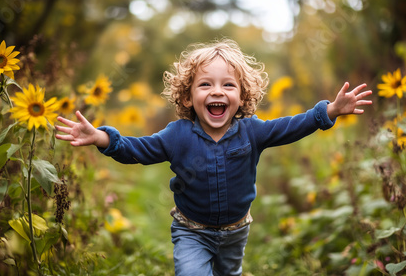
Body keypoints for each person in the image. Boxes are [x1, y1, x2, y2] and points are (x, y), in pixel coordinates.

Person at [55, 39, 372, 276]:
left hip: (236, 232)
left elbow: (291, 126)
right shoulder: (176, 136)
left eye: (228, 85)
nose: (217, 91)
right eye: (205, 84)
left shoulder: (253, 132)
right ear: (188, 97)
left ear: (242, 96)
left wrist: (329, 111)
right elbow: (137, 150)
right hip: (192, 232)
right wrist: (102, 137)